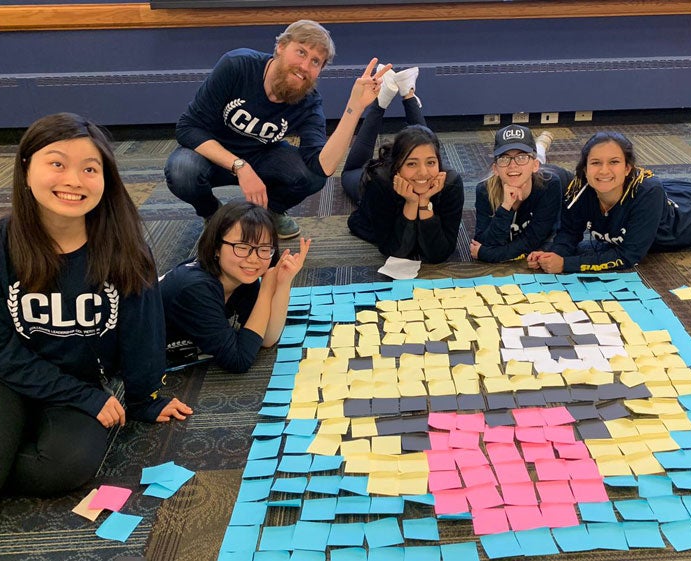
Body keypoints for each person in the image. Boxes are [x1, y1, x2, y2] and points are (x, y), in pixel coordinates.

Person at [0, 113, 192, 513]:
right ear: (26, 169)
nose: (74, 180)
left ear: (105, 179)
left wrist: (145, 399)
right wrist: (84, 398)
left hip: (77, 376)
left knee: (64, 469)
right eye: (57, 163)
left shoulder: (124, 247)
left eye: (90, 169)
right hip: (3, 373)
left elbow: (143, 331)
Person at [164, 19, 391, 239]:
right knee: (182, 171)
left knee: (311, 176)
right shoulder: (237, 65)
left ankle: (271, 210)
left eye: (315, 62)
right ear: (281, 47)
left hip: (262, 155)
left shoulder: (309, 102)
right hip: (212, 153)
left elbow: (323, 167)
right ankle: (213, 214)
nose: (304, 66)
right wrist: (240, 166)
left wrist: (355, 107)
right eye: (301, 52)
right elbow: (188, 127)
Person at [527, 100, 691, 273]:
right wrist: (553, 254)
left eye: (614, 162)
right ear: (585, 168)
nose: (604, 171)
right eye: (595, 163)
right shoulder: (579, 190)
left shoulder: (646, 191)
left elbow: (629, 255)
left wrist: (567, 264)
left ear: (628, 168)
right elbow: (568, 234)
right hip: (678, 199)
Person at [160, 200, 309, 373]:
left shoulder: (239, 277)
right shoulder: (196, 289)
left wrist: (284, 282)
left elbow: (267, 337)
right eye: (242, 247)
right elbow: (239, 361)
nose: (253, 259)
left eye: (263, 249)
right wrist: (266, 291)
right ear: (216, 247)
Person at [343, 69, 464, 263]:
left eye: (431, 162)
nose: (423, 172)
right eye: (411, 164)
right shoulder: (380, 181)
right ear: (397, 165)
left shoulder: (449, 182)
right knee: (350, 172)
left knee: (424, 142)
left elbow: (439, 254)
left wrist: (423, 202)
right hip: (383, 183)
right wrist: (410, 203)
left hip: (418, 164)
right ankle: (381, 101)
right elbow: (394, 250)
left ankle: (408, 92)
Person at [470, 125, 571, 263]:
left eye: (522, 156)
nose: (512, 165)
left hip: (559, 182)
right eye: (504, 158)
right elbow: (484, 241)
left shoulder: (550, 185)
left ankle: (540, 145)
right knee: (522, 170)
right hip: (528, 172)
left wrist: (488, 254)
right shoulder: (484, 190)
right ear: (495, 169)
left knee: (532, 165)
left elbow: (534, 240)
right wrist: (506, 206)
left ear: (535, 165)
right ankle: (538, 146)